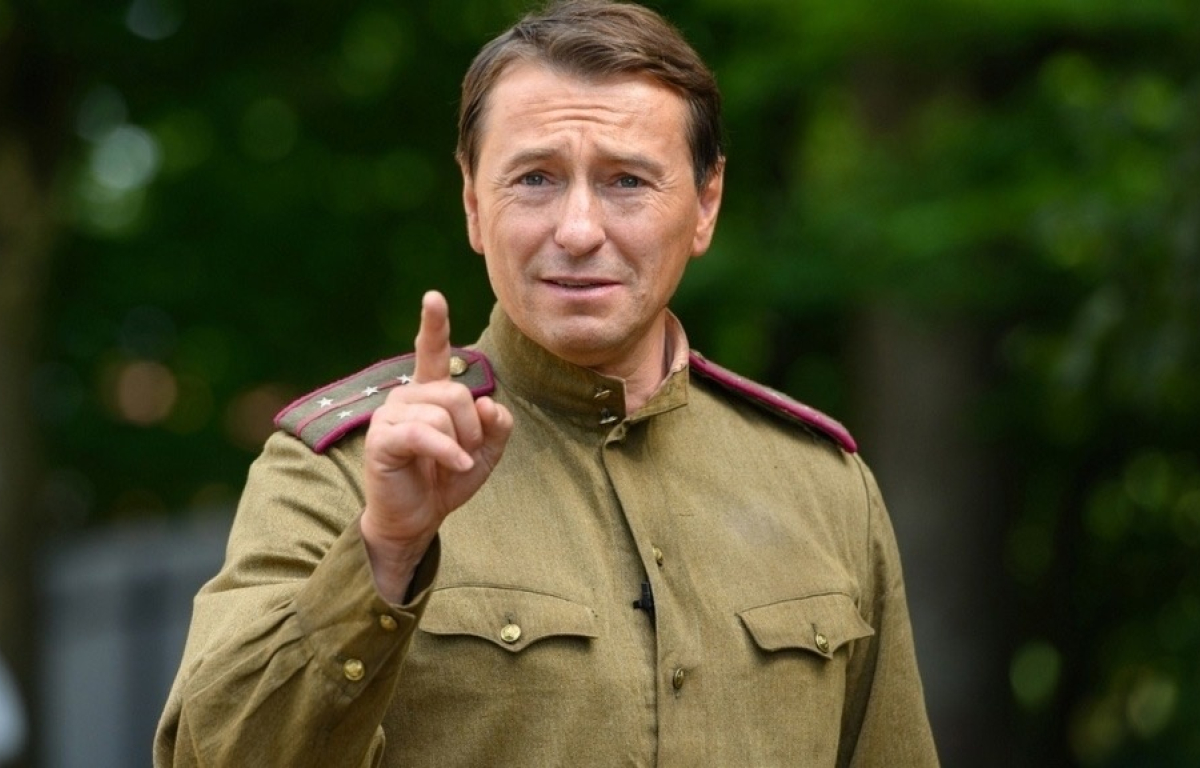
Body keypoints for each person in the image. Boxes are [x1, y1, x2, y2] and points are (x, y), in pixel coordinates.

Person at [155, 1, 939, 765]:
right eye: (535, 178)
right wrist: (384, 553)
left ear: (706, 205)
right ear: (473, 203)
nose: (578, 230)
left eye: (627, 181)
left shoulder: (823, 488)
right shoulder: (346, 471)